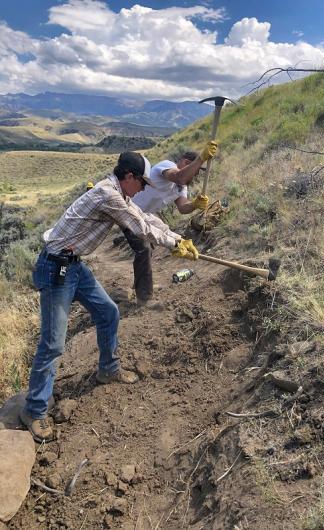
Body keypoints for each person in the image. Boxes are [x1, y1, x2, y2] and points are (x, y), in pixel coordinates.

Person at [20, 151, 201, 443]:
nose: (143, 189)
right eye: (142, 183)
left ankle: (108, 370)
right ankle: (34, 410)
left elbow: (145, 216)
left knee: (108, 313)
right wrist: (172, 244)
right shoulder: (108, 195)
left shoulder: (120, 194)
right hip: (56, 269)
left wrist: (177, 238)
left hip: (74, 266)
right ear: (128, 177)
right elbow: (139, 227)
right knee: (53, 344)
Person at [124, 140, 217, 305]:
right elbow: (179, 177)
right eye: (195, 172)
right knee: (144, 249)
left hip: (146, 216)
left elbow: (183, 207)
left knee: (146, 250)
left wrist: (195, 204)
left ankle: (140, 287)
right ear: (186, 163)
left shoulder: (181, 188)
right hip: (128, 211)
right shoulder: (166, 167)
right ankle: (143, 298)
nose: (194, 177)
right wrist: (201, 158)